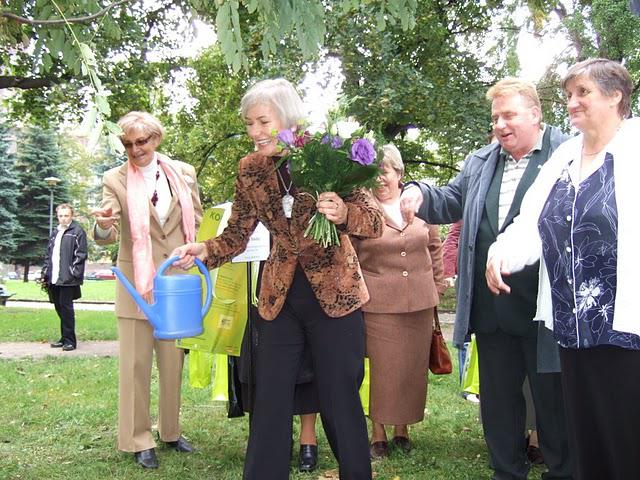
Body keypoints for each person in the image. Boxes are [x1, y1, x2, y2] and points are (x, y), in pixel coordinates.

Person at [172, 78, 383, 480]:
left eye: (262, 121)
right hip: (278, 299)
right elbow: (237, 232)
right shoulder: (250, 170)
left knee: (340, 400)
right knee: (268, 401)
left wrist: (343, 214)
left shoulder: (331, 152)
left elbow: (374, 222)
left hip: (336, 298)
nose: (254, 132)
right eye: (249, 123)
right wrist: (204, 251)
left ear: (288, 119)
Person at [400, 77, 572, 480]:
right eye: (495, 117)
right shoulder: (481, 161)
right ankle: (506, 472)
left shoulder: (567, 152)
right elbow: (451, 200)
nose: (500, 125)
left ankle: (564, 472)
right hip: (491, 308)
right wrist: (419, 193)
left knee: (553, 403)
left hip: (545, 308)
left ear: (535, 114)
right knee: (498, 402)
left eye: (509, 115)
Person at [486, 58, 640, 480]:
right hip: (573, 326)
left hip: (627, 326)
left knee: (628, 435)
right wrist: (502, 254)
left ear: (615, 96)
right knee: (587, 435)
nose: (571, 103)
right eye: (569, 94)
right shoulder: (565, 156)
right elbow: (530, 221)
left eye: (583, 93)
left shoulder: (636, 148)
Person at [91, 111, 203, 469]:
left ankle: (170, 431)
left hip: (176, 283)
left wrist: (191, 248)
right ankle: (138, 438)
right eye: (127, 143)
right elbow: (106, 229)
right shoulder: (115, 178)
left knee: (172, 364)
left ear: (156, 139)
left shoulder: (183, 173)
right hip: (136, 284)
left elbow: (196, 218)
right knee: (135, 365)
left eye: (141, 141)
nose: (134, 149)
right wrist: (104, 225)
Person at [351, 144, 446, 458]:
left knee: (411, 369)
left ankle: (402, 429)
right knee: (384, 370)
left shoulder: (417, 203)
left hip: (420, 302)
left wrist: (437, 286)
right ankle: (378, 433)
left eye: (386, 171)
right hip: (378, 303)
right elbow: (348, 254)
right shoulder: (361, 208)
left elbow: (434, 246)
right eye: (374, 172)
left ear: (399, 173)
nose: (381, 179)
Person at [41, 203, 88, 352]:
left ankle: (70, 341)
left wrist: (74, 273)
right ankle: (64, 338)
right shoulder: (55, 232)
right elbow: (49, 254)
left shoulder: (77, 231)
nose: (63, 218)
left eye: (66, 215)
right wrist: (45, 272)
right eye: (60, 216)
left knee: (67, 309)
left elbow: (81, 255)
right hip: (54, 277)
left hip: (68, 278)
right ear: (57, 216)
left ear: (71, 216)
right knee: (59, 307)